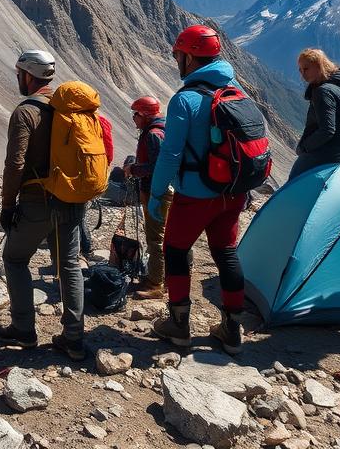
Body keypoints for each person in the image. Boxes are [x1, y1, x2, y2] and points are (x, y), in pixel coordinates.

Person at [150, 25, 249, 355]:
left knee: (176, 251)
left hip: (195, 194)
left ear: (190, 57)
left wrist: (155, 192)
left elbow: (170, 152)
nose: (177, 60)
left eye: (178, 54)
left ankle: (179, 327)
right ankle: (232, 330)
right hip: (233, 193)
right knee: (226, 252)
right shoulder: (236, 91)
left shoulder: (185, 100)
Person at [0, 49, 90, 362]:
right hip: (73, 202)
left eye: (19, 73)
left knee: (16, 258)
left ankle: (24, 329)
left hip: (38, 202)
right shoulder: (70, 110)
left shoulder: (26, 113)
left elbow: (15, 163)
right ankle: (74, 337)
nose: (17, 78)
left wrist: (8, 206)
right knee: (70, 265)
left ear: (28, 75)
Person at [124, 96, 170, 299]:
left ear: (143, 115)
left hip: (155, 191)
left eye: (135, 114)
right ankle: (164, 277)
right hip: (163, 190)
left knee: (155, 237)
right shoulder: (164, 128)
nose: (133, 118)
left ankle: (156, 283)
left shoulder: (153, 135)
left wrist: (133, 169)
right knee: (163, 233)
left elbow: (156, 167)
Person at [288, 49, 340, 181]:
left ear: (319, 66)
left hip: (324, 153)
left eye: (306, 69)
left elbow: (327, 130)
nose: (303, 74)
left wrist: (304, 147)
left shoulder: (323, 92)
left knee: (295, 182)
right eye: (300, 70)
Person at [79, 113, 115, 260]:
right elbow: (109, 150)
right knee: (80, 215)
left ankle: (74, 253)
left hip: (72, 173)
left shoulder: (68, 119)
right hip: (93, 174)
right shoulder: (100, 121)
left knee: (74, 217)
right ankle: (85, 249)